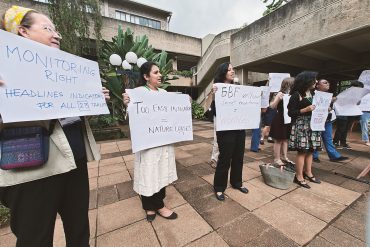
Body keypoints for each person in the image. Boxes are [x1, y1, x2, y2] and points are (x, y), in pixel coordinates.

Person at [0, 6, 109, 247]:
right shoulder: (3, 69)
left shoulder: (66, 72)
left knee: (79, 229)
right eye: (48, 28)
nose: (57, 34)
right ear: (23, 32)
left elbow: (71, 119)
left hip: (74, 161)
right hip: (32, 171)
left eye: (56, 29)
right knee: (35, 239)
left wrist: (91, 101)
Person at [123, 61, 178, 222]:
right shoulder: (138, 93)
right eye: (155, 72)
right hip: (147, 143)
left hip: (163, 140)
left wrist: (184, 103)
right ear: (146, 77)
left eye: (159, 72)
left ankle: (159, 204)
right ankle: (150, 206)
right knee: (148, 172)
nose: (160, 75)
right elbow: (131, 119)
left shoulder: (164, 93)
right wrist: (127, 104)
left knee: (161, 170)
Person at [210, 62, 248, 201]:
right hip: (225, 130)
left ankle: (236, 182)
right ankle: (219, 187)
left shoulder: (238, 88)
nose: (232, 72)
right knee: (225, 158)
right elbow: (213, 113)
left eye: (233, 69)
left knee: (239, 156)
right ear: (223, 72)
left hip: (239, 128)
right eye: (229, 70)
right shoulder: (218, 89)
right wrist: (214, 97)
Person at [288, 71, 321, 189]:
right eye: (314, 79)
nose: (316, 81)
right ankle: (299, 176)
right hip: (301, 126)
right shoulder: (296, 95)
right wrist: (305, 110)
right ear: (306, 80)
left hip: (312, 125)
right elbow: (291, 113)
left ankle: (308, 173)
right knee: (302, 151)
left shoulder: (312, 94)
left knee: (311, 150)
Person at [312, 79, 349, 162]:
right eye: (324, 83)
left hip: (328, 120)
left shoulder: (330, 95)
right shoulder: (313, 94)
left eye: (328, 82)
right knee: (316, 138)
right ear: (317, 86)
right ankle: (314, 156)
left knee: (328, 138)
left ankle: (334, 156)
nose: (327, 83)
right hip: (318, 120)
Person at [269, 77, 295, 166]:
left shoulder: (293, 94)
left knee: (285, 139)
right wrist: (278, 99)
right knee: (279, 140)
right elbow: (272, 106)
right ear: (287, 85)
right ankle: (277, 158)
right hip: (280, 118)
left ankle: (284, 157)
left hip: (288, 119)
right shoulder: (280, 93)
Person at [333, 80, 364, 149]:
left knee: (346, 128)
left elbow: (358, 103)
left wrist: (358, 99)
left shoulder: (357, 94)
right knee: (341, 128)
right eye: (359, 88)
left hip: (351, 113)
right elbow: (338, 101)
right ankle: (335, 142)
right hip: (342, 113)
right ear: (354, 87)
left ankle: (343, 143)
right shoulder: (345, 91)